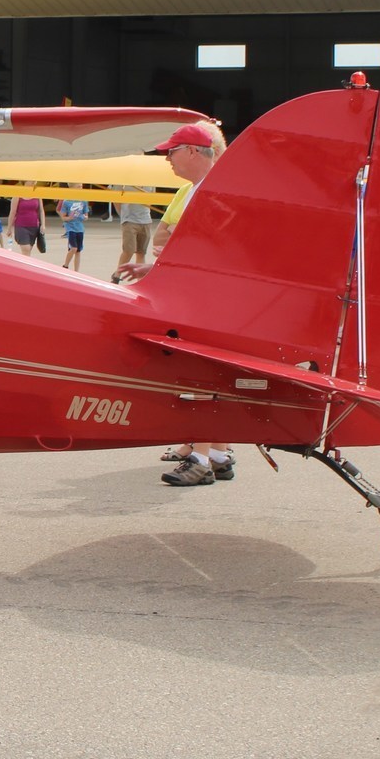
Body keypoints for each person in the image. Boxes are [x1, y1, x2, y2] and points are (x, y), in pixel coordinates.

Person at [119, 122, 235, 486]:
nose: (167, 158)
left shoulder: (216, 193)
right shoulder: (196, 191)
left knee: (199, 373)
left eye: (172, 151)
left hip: (209, 298)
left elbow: (213, 252)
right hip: (200, 293)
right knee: (206, 374)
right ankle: (216, 453)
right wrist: (151, 266)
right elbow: (186, 245)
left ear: (193, 152)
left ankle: (199, 459)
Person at [113, 190, 153, 278]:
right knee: (128, 250)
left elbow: (151, 198)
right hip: (130, 220)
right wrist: (122, 215)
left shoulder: (151, 183)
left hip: (146, 219)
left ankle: (140, 278)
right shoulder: (127, 182)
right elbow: (115, 197)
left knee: (141, 252)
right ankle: (117, 275)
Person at [57, 197, 89, 272]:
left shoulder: (83, 201)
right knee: (73, 248)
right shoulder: (66, 202)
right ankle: (65, 265)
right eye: (78, 186)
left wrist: (84, 217)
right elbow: (63, 217)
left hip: (80, 228)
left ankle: (76, 271)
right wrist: (70, 217)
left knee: (78, 250)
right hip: (70, 228)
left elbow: (86, 216)